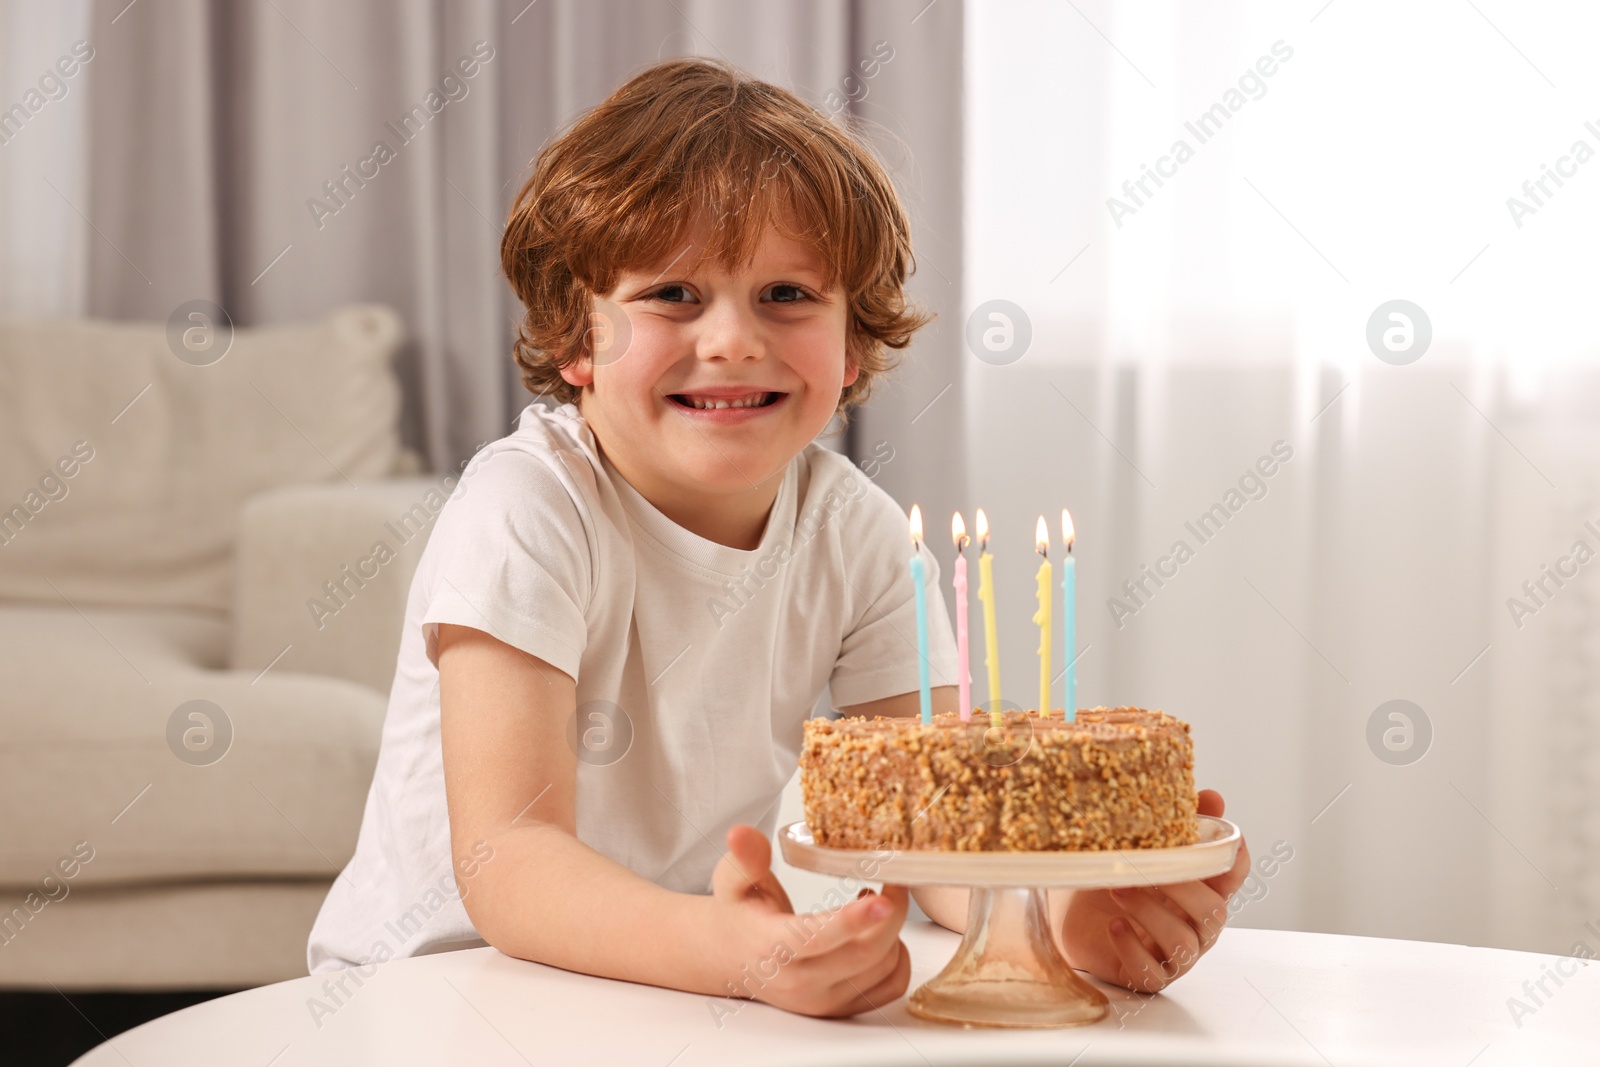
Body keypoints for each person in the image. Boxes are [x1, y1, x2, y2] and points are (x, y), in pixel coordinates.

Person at [307, 56, 1250, 1018]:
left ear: (850, 346)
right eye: (673, 294)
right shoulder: (528, 507)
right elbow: (507, 859)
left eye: (787, 295)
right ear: (575, 339)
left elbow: (929, 831)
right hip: (432, 992)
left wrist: (1059, 916)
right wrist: (725, 950)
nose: (732, 340)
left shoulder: (861, 535)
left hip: (662, 988)